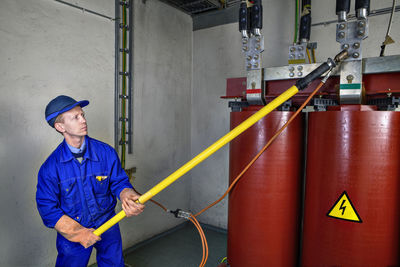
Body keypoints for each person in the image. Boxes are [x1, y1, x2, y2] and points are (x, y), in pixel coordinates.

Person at [36, 95, 145, 267]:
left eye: (83, 115)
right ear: (60, 126)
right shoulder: (50, 168)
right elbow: (47, 209)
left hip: (108, 222)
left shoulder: (106, 153)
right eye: (75, 117)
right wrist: (77, 233)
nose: (83, 120)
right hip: (73, 229)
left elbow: (118, 182)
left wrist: (127, 195)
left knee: (113, 264)